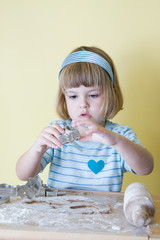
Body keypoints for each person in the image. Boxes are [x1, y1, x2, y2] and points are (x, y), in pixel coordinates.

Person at [16, 46, 154, 192]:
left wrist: (117, 142)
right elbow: (23, 174)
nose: (83, 104)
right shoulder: (57, 132)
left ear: (111, 95)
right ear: (64, 99)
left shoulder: (119, 135)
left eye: (93, 95)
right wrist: (37, 148)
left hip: (103, 213)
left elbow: (146, 168)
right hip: (60, 213)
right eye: (73, 96)